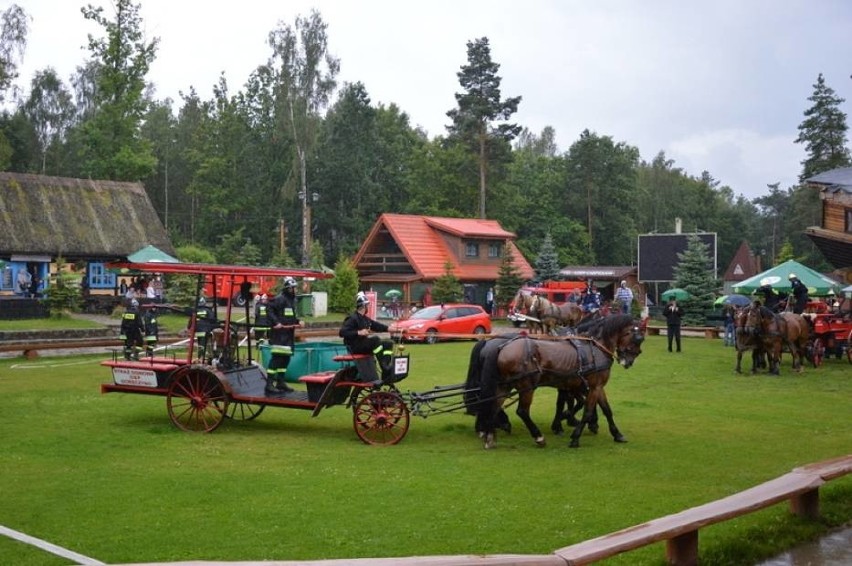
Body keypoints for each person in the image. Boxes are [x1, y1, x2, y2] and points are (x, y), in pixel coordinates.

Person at [339, 291, 394, 383]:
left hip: (362, 344)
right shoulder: (352, 318)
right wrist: (358, 332)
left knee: (388, 343)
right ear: (363, 306)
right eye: (367, 305)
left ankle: (386, 369)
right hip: (355, 347)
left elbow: (376, 325)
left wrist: (389, 329)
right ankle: (384, 366)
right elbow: (342, 332)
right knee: (375, 340)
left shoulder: (364, 318)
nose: (368, 307)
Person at [265, 276, 301, 394]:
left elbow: (290, 316)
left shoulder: (292, 301)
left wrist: (298, 321)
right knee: (277, 359)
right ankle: (269, 384)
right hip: (279, 335)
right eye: (294, 288)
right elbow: (269, 309)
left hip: (288, 335)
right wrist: (276, 323)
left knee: (286, 359)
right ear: (289, 288)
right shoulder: (280, 299)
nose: (296, 290)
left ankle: (281, 382)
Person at [191, 297, 218, 361]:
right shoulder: (208, 310)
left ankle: (200, 356)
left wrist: (189, 327)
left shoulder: (195, 310)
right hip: (206, 330)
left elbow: (191, 320)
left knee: (200, 344)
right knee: (206, 344)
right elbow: (213, 320)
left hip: (198, 330)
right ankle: (206, 357)